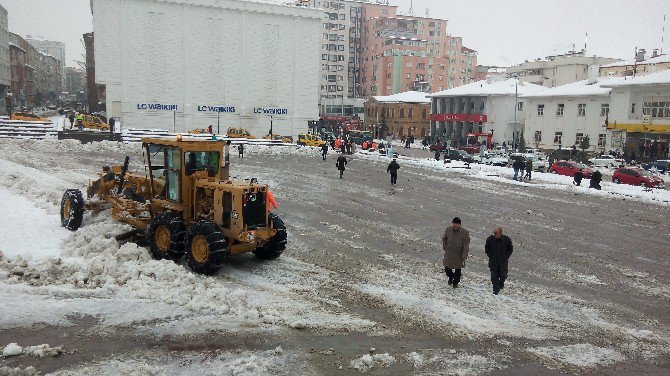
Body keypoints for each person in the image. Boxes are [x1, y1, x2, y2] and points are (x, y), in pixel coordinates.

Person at [442, 217, 470, 289]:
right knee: (447, 268)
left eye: (457, 224)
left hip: (459, 254)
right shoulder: (448, 229)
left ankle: (455, 283)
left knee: (458, 269)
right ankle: (451, 277)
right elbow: (444, 238)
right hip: (449, 252)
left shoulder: (465, 232)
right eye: (454, 223)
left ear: (460, 225)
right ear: (452, 223)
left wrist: (464, 255)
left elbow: (466, 245)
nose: (455, 225)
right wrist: (445, 246)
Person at [485, 227, 513, 295]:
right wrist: (490, 256)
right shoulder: (490, 239)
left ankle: (501, 284)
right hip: (493, 262)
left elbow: (510, 249)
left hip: (503, 262)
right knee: (494, 277)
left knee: (503, 275)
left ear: (500, 233)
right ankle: (496, 291)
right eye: (494, 233)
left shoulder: (506, 239)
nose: (494, 235)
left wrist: (506, 256)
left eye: (496, 233)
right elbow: (487, 248)